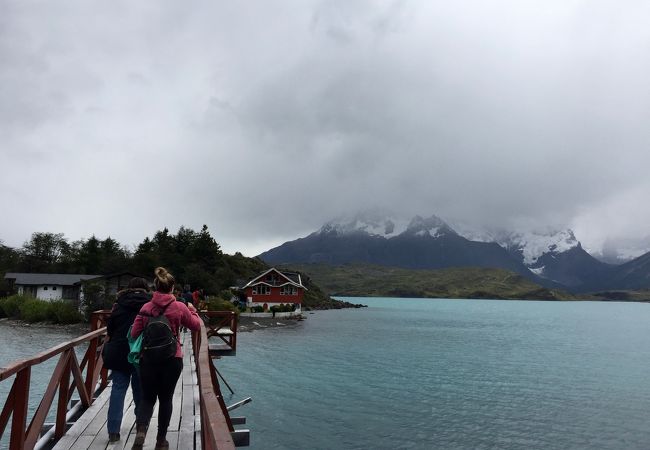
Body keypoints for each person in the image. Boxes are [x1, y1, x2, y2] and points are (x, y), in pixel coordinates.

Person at [130, 267, 201, 450]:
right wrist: (193, 311)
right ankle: (161, 441)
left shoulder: (146, 308)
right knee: (166, 399)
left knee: (147, 398)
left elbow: (134, 332)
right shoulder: (179, 307)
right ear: (172, 287)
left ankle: (141, 431)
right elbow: (195, 326)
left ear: (155, 287)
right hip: (172, 358)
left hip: (148, 359)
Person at [103, 277, 150, 443]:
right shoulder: (150, 305)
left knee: (118, 389)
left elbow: (110, 328)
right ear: (146, 288)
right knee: (140, 391)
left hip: (118, 351)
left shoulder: (119, 304)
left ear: (128, 288)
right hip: (140, 353)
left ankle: (113, 432)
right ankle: (140, 428)